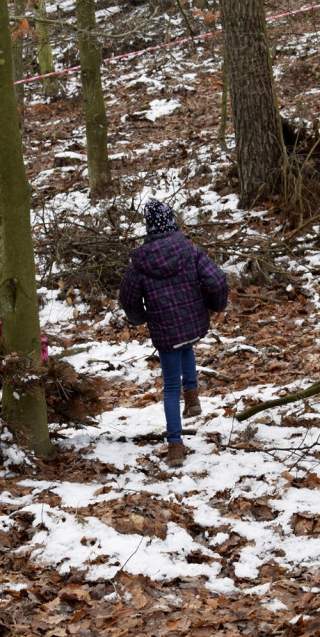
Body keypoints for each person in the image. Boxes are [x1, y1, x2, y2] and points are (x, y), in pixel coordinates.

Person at [119, 198, 228, 468]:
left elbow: (128, 298)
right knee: (187, 344)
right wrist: (216, 305)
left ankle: (175, 445)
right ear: (172, 223)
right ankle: (192, 396)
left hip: (167, 332)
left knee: (170, 388)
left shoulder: (139, 263)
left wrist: (140, 318)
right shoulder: (189, 250)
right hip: (192, 324)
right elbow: (216, 279)